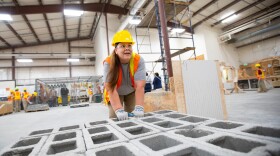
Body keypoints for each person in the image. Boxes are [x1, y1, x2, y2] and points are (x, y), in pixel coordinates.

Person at [103, 30, 146, 121]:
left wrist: (139, 107)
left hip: (131, 91)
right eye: (123, 46)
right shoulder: (109, 62)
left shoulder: (138, 60)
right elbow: (111, 88)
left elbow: (140, 86)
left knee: (133, 117)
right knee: (115, 117)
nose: (127, 48)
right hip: (115, 92)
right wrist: (118, 109)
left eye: (129, 45)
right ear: (116, 50)